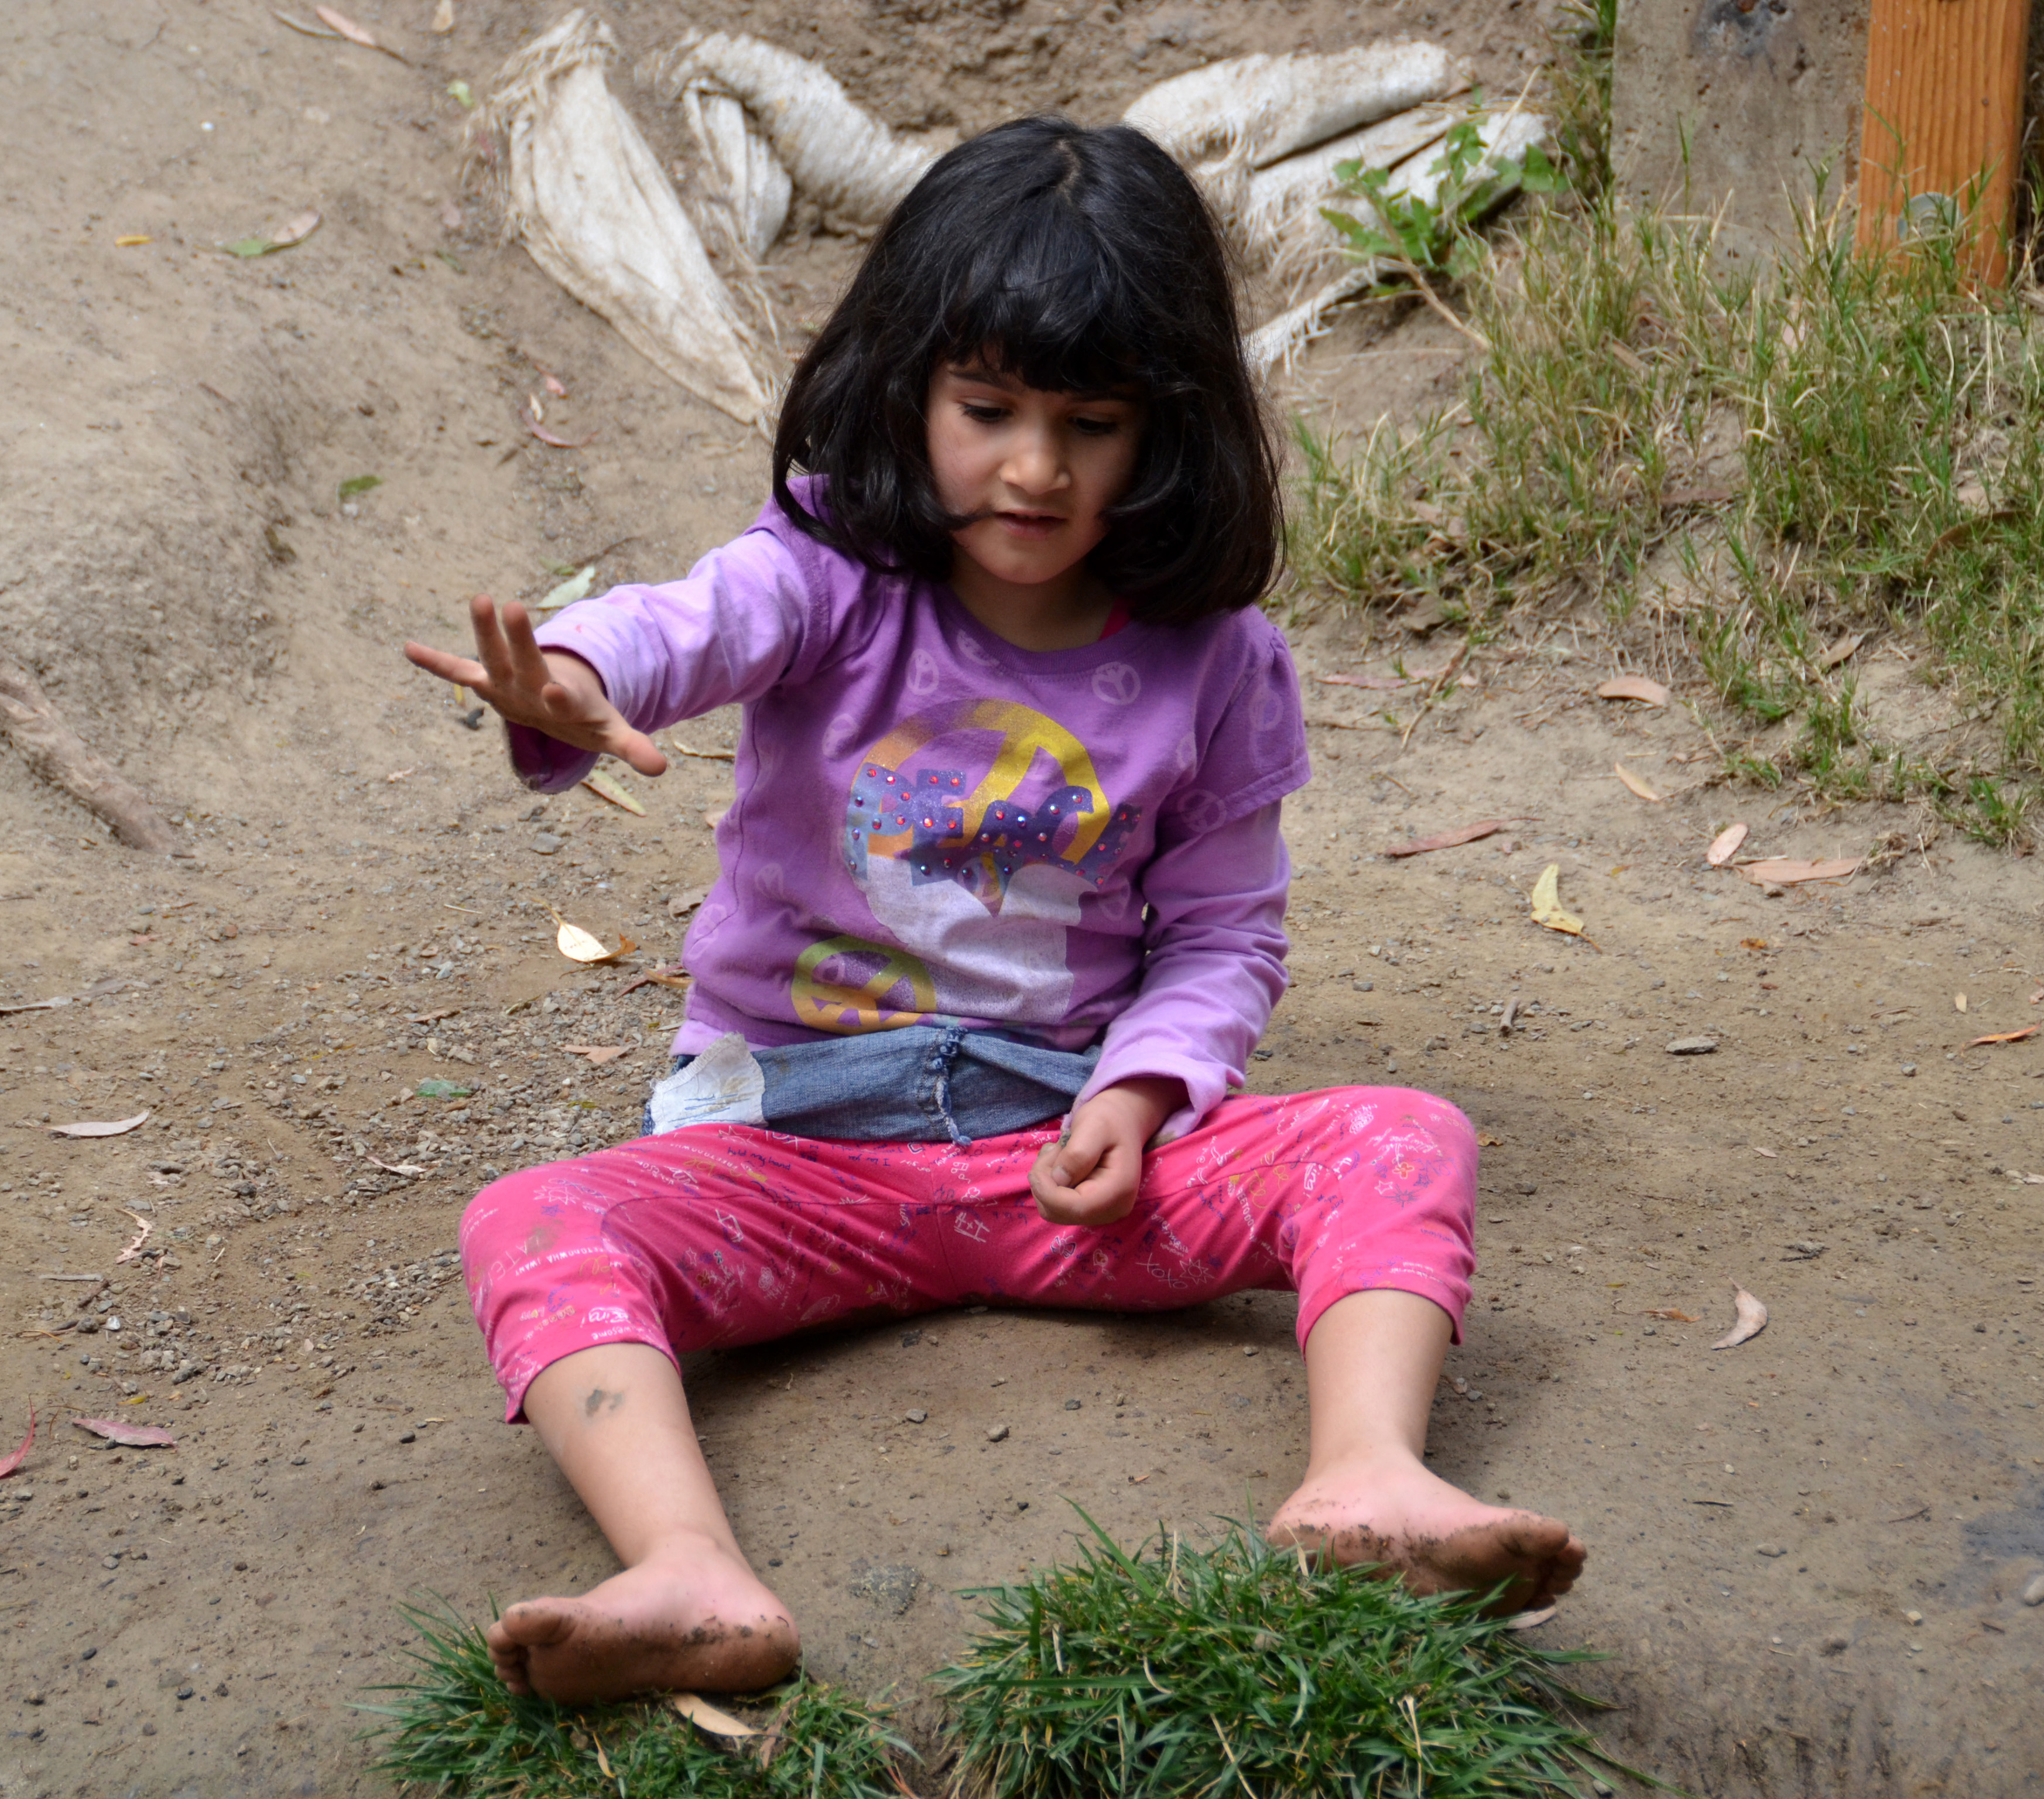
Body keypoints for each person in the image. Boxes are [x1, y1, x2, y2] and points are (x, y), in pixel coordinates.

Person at [403, 114, 1584, 1708]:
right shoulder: (826, 570)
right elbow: (693, 622)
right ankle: (684, 1571)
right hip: (792, 1151)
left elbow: (1224, 935)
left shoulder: (1217, 662)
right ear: (907, 392)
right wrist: (574, 671)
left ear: (1170, 430)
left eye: (1092, 423)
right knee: (534, 1217)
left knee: (1404, 1134)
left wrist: (1140, 1095)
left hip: (1071, 1163)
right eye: (988, 410)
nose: (1036, 468)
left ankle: (1369, 1481)